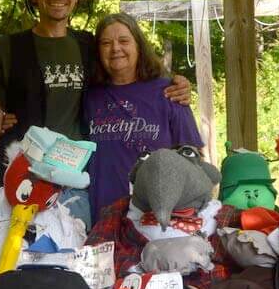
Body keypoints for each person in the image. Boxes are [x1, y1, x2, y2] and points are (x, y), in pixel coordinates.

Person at [0, 0, 191, 196]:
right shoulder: (9, 49)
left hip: (78, 182)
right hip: (21, 180)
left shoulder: (89, 45)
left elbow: (133, 77)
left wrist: (177, 84)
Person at [84, 13, 204, 218]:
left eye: (124, 41)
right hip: (103, 217)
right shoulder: (89, 97)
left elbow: (193, 156)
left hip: (155, 217)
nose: (115, 49)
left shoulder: (169, 92)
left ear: (138, 45)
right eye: (106, 43)